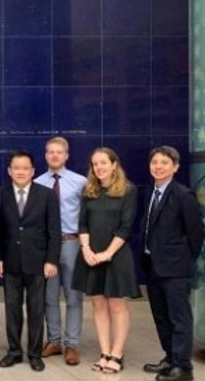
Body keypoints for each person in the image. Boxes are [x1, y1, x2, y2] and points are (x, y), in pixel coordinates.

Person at [72, 147, 140, 374]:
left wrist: (108, 253)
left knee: (117, 304)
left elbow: (126, 226)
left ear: (114, 164)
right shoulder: (89, 190)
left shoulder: (128, 191)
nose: (99, 167)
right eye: (94, 164)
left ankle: (117, 354)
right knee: (98, 303)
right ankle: (105, 352)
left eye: (103, 162)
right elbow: (82, 223)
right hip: (90, 255)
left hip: (116, 255)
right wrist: (86, 249)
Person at [140, 146, 203, 381]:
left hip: (175, 269)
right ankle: (170, 358)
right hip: (153, 266)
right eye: (155, 162)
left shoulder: (183, 195)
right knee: (161, 316)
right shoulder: (152, 192)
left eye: (164, 163)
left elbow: (196, 234)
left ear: (175, 167)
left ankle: (183, 367)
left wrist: (183, 259)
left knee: (179, 318)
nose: (158, 166)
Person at [0, 150, 60, 372]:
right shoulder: (1, 194)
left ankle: (34, 353)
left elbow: (54, 230)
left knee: (36, 310)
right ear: (9, 171)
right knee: (12, 310)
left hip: (38, 262)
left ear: (33, 171)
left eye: (25, 168)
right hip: (11, 261)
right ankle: (14, 351)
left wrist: (52, 260)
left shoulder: (46, 194)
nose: (21, 172)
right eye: (16, 168)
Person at [34, 137, 87, 366]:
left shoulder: (81, 182)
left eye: (59, 152)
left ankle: (71, 344)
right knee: (49, 297)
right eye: (50, 152)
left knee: (74, 297)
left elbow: (87, 216)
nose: (54, 155)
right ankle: (54, 340)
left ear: (66, 155)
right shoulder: (36, 183)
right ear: (46, 155)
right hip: (46, 247)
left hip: (72, 243)